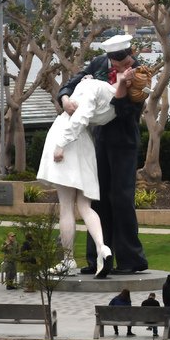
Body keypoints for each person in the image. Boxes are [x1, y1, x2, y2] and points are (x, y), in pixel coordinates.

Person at [58, 34, 148, 278]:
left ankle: (131, 259)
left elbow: (127, 111)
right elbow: (72, 83)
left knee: (121, 198)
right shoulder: (98, 64)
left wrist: (122, 84)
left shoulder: (140, 73)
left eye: (127, 60)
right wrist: (65, 99)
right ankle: (97, 257)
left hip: (124, 141)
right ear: (110, 59)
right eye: (119, 63)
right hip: (98, 140)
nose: (125, 65)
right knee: (95, 199)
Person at [39, 75, 129, 276]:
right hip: (85, 144)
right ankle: (102, 247)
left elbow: (78, 118)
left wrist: (61, 144)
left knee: (66, 206)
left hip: (68, 137)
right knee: (84, 206)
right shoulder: (114, 107)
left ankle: (68, 259)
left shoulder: (95, 86)